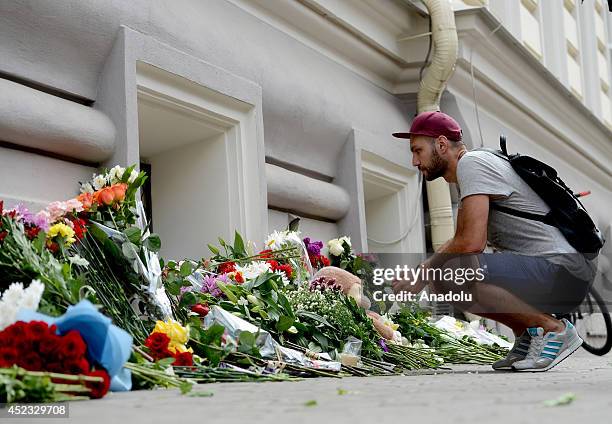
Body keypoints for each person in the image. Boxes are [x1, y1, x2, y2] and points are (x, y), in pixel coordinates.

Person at [391, 111, 596, 372]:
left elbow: (470, 244)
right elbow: (460, 240)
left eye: (417, 150)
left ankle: (553, 329)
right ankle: (528, 333)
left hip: (563, 269)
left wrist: (421, 275)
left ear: (441, 145)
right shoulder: (473, 169)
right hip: (561, 269)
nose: (413, 160)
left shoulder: (472, 165)